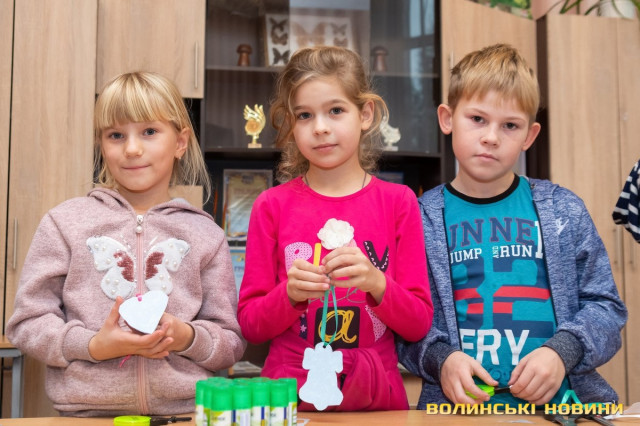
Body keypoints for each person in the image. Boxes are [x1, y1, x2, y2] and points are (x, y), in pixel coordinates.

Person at [397, 44, 627, 409]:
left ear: (529, 136)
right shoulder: (418, 218)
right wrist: (441, 360)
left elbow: (606, 307)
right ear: (447, 118)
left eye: (510, 125)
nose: (491, 137)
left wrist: (562, 352)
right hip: (456, 413)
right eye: (477, 119)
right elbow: (403, 321)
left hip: (560, 409)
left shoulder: (563, 209)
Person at [6, 71, 246, 417]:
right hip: (85, 417)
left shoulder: (206, 234)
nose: (132, 149)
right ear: (101, 145)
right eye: (116, 135)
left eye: (149, 132)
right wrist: (92, 346)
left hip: (185, 415)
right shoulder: (64, 223)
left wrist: (186, 337)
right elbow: (27, 322)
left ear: (180, 142)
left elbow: (231, 341)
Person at [237, 46, 433, 411]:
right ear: (291, 124)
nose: (320, 127)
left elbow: (418, 323)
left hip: (377, 397)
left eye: (336, 110)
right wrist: (289, 295)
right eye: (304, 115)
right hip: (289, 397)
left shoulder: (399, 202)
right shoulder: (271, 206)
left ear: (366, 114)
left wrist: (376, 283)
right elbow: (250, 325)